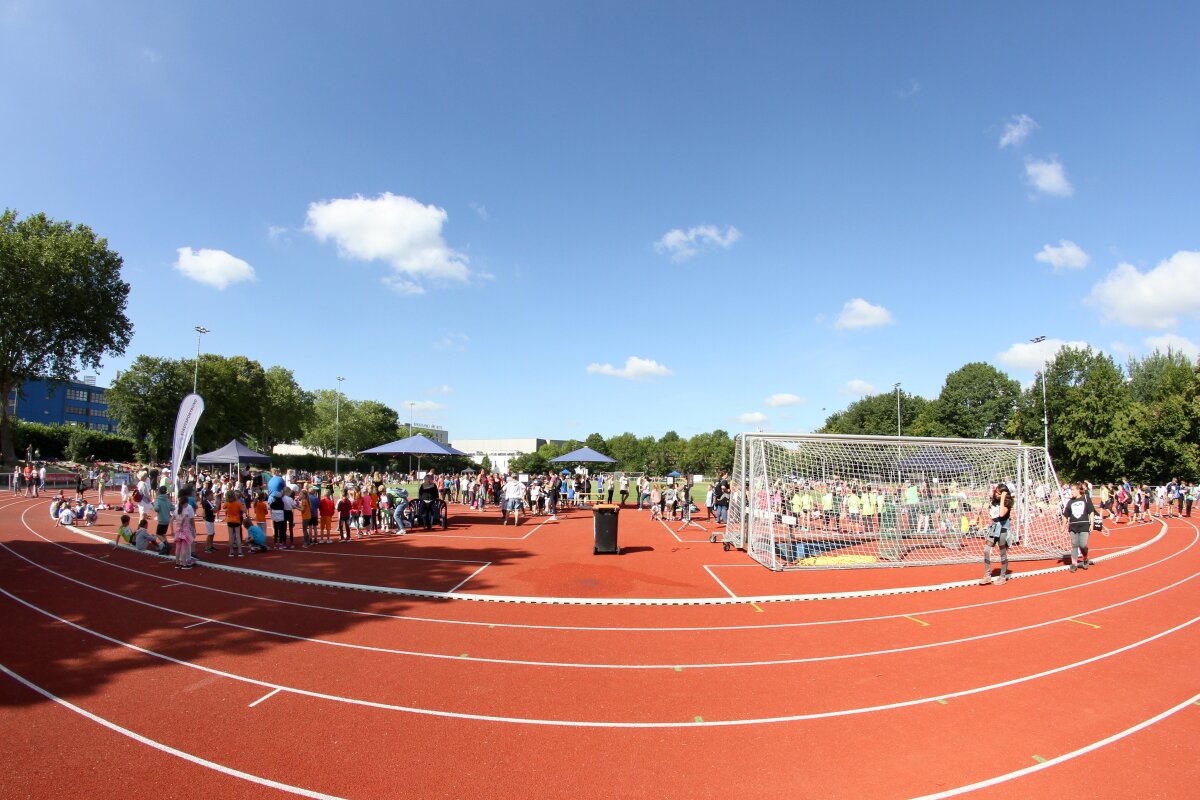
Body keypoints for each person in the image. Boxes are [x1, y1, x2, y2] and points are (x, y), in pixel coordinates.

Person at [981, 483, 1014, 585]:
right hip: (994, 528)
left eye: (999, 493)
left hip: (1003, 529)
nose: (996, 495)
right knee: (986, 550)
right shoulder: (994, 501)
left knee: (1002, 553)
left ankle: (1002, 576)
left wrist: (1003, 498)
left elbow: (1001, 514)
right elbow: (993, 514)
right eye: (996, 492)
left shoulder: (1008, 503)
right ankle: (987, 575)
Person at [1062, 481, 1096, 573]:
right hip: (1073, 526)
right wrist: (1063, 526)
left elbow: (1091, 511)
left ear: (1078, 490)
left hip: (1084, 525)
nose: (1071, 492)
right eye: (1071, 490)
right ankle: (1074, 564)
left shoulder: (1085, 498)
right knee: (1074, 545)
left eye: (1073, 490)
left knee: (1083, 545)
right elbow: (1066, 515)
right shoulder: (1070, 502)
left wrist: (1092, 524)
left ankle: (1085, 558)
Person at [174, 492, 196, 569]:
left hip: (177, 531)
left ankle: (177, 562)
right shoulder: (186, 510)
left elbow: (171, 519)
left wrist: (173, 530)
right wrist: (193, 530)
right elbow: (189, 519)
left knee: (178, 548)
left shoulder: (176, 510)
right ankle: (185, 563)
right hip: (185, 531)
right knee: (185, 548)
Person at [223, 489, 245, 557]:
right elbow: (244, 510)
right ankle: (240, 551)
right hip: (236, 520)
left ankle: (231, 551)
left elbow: (224, 507)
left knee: (231, 536)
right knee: (238, 536)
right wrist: (242, 504)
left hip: (230, 520)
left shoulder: (227, 503)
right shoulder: (238, 503)